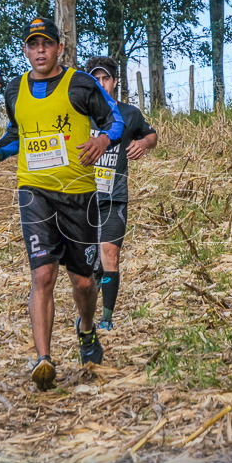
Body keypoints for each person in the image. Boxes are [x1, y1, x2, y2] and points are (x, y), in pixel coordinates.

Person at [0, 18, 124, 391]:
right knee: (43, 274)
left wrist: (104, 141)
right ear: (26, 50)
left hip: (80, 196)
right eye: (33, 44)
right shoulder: (14, 90)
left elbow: (115, 120)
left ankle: (87, 329)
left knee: (82, 283)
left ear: (60, 48)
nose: (40, 50)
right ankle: (43, 358)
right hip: (35, 192)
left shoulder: (81, 84)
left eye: (47, 44)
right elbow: (17, 133)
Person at [84, 56, 158, 330]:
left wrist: (143, 143)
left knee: (109, 253)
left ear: (115, 82)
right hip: (83, 199)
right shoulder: (80, 112)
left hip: (114, 197)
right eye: (96, 79)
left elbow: (152, 135)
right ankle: (88, 314)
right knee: (90, 264)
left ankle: (106, 319)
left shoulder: (129, 114)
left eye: (106, 78)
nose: (101, 83)